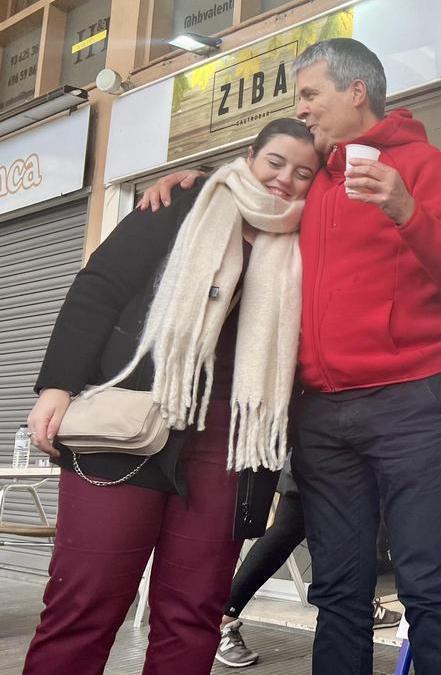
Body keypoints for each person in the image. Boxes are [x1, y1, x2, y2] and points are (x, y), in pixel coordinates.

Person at [142, 38, 441, 675]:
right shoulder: (310, 181)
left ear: (356, 91)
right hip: (321, 415)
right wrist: (192, 187)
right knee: (338, 592)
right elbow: (243, 204)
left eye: (309, 93)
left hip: (410, 400)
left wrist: (406, 209)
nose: (300, 108)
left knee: (427, 583)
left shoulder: (424, 165)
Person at [22, 118, 320, 674]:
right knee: (84, 603)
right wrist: (57, 385)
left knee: (193, 615)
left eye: (304, 173)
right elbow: (99, 288)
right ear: (250, 158)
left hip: (231, 444)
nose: (285, 180)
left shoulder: (308, 241)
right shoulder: (185, 204)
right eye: (275, 162)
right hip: (130, 421)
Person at [213, 458, 403, 669]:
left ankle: (359, 604)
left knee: (346, 528)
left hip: (350, 453)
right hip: (319, 449)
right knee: (289, 529)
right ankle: (223, 619)